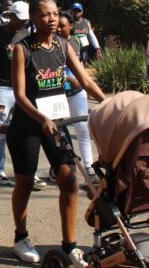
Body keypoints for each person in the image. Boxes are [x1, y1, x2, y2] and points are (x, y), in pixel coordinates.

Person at [7, 0, 105, 265]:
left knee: (69, 180)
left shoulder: (63, 45)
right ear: (34, 19)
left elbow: (84, 80)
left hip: (56, 123)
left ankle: (70, 245)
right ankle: (21, 238)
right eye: (45, 15)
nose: (51, 19)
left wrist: (109, 104)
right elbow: (19, 94)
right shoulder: (22, 49)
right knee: (25, 182)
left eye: (54, 14)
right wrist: (41, 117)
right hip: (28, 124)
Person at [0, 1, 41, 187]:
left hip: (24, 91)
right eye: (19, 19)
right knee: (1, 131)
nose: (22, 23)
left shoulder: (28, 34)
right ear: (10, 15)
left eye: (25, 20)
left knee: (26, 131)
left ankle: (28, 171)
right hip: (2, 89)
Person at [57, 11, 98, 182]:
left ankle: (88, 167)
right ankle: (66, 165)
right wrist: (67, 78)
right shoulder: (50, 43)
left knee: (82, 129)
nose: (58, 29)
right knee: (59, 132)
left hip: (76, 93)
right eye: (57, 26)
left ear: (71, 26)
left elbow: (80, 66)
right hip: (56, 94)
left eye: (62, 26)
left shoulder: (75, 41)